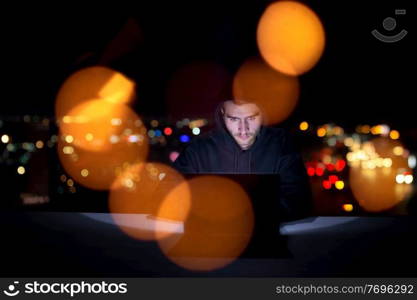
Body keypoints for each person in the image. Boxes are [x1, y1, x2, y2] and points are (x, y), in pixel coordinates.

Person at [174, 100, 312, 221]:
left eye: (251, 118)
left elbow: (299, 201)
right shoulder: (199, 149)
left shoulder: (281, 145)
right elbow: (171, 193)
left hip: (266, 245)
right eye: (234, 119)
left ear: (262, 113)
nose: (243, 130)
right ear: (222, 113)